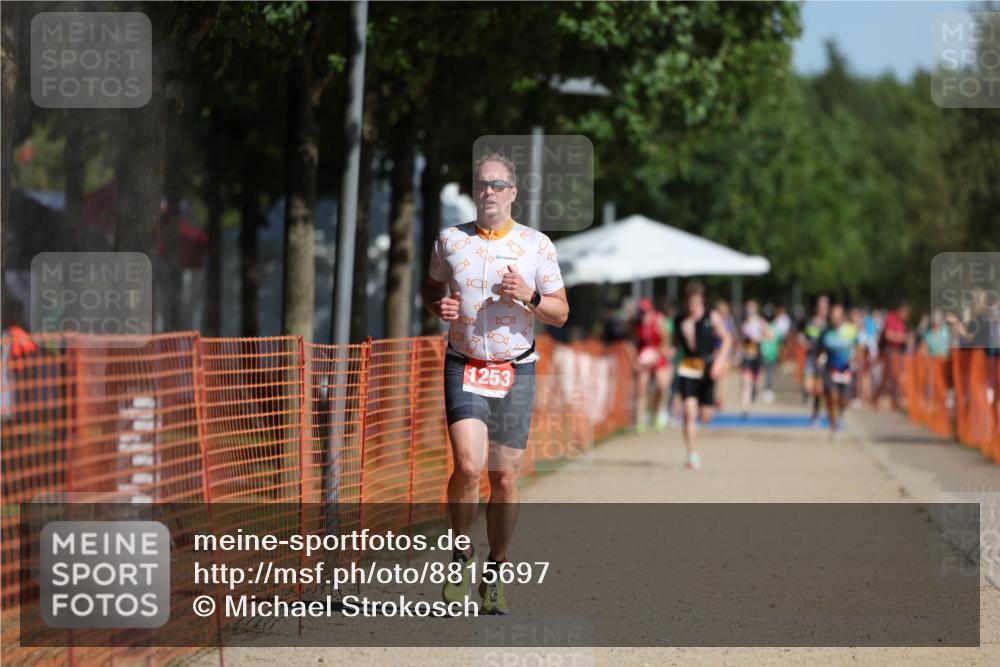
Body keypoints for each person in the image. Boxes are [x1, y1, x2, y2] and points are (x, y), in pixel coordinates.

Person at [422, 153, 569, 615]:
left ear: (512, 192)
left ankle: (496, 569)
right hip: (464, 363)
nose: (487, 191)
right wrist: (437, 307)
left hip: (516, 368)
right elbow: (431, 289)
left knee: (504, 478)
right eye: (481, 184)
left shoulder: (537, 246)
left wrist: (529, 295)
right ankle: (460, 555)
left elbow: (561, 313)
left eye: (496, 184)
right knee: (468, 466)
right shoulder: (450, 240)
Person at [673, 282, 732, 470]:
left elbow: (727, 339)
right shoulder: (680, 320)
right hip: (689, 365)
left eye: (697, 302)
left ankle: (701, 414)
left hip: (708, 365)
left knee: (706, 416)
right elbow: (675, 345)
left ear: (702, 301)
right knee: (689, 413)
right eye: (690, 302)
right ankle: (692, 454)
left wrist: (719, 361)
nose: (693, 306)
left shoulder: (711, 317)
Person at [817, 303, 859, 440]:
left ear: (843, 317)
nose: (835, 320)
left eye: (838, 317)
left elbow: (859, 347)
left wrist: (855, 358)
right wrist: (820, 358)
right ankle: (834, 428)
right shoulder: (825, 333)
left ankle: (841, 410)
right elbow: (820, 349)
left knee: (844, 401)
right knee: (832, 397)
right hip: (830, 369)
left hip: (846, 369)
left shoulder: (851, 331)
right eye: (833, 317)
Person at [632, 297, 674, 432]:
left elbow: (666, 339)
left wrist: (658, 354)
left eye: (645, 312)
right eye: (641, 312)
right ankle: (640, 421)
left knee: (662, 386)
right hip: (644, 358)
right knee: (641, 388)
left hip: (658, 354)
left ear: (651, 311)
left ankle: (657, 414)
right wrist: (635, 361)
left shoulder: (659, 320)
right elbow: (633, 343)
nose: (643, 315)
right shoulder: (637, 324)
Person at [873, 301, 910, 410]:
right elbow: (888, 335)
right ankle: (888, 400)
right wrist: (901, 337)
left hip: (897, 352)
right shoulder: (892, 318)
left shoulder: (902, 322)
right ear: (901, 310)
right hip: (889, 351)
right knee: (892, 376)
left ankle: (888, 400)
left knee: (892, 376)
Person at [739, 300, 772, 418]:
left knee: (754, 383)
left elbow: (770, 336)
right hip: (747, 357)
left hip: (757, 357)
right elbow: (741, 340)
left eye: (752, 309)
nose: (749, 312)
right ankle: (745, 409)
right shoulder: (744, 323)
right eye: (748, 309)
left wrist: (758, 338)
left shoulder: (760, 322)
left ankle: (753, 394)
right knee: (745, 383)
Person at [800, 295, 830, 425]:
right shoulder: (809, 321)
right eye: (820, 306)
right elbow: (800, 335)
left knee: (819, 390)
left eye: (825, 307)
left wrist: (824, 356)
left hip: (823, 358)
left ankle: (816, 414)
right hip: (810, 357)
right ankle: (807, 395)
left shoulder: (829, 324)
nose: (822, 309)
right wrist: (804, 342)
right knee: (808, 386)